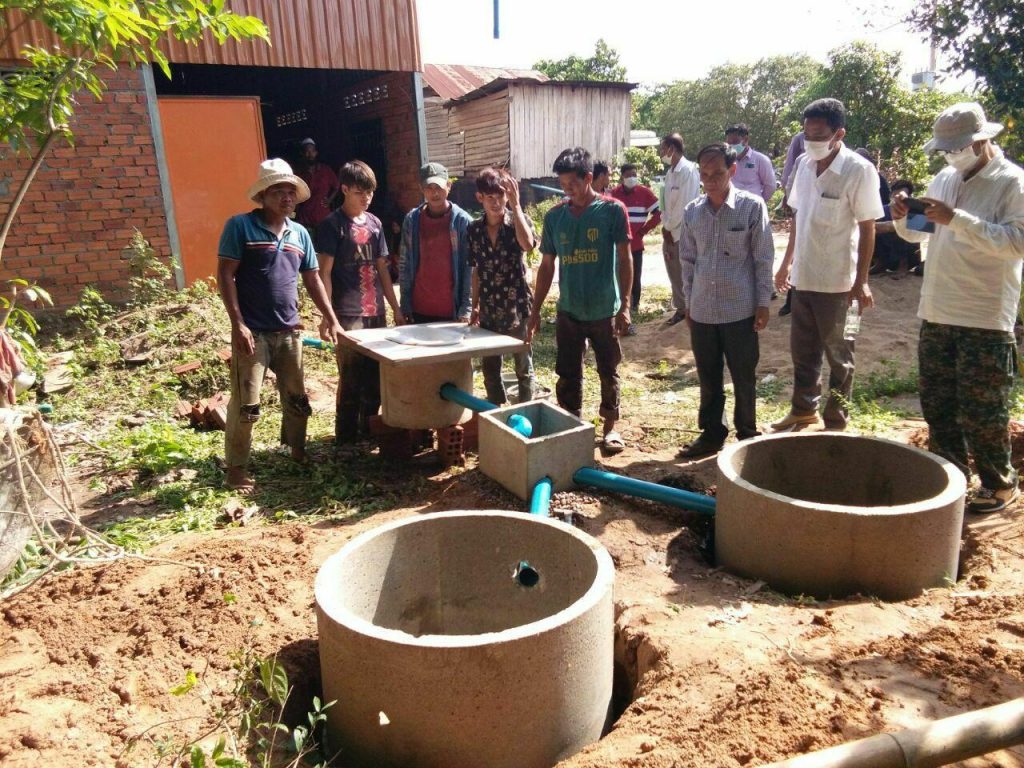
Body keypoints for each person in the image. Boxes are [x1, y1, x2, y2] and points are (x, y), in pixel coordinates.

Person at [891, 102, 1024, 513]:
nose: (951, 156)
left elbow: (1016, 243)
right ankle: (951, 480)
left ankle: (999, 484)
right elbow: (919, 234)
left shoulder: (1012, 182)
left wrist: (958, 219)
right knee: (939, 405)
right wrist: (903, 217)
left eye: (958, 148)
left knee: (983, 409)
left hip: (984, 315)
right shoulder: (944, 178)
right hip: (937, 309)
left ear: (982, 141)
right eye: (945, 150)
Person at [217, 158, 344, 491]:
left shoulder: (299, 234)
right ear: (263, 196)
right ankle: (236, 469)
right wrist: (238, 324)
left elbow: (313, 279)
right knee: (247, 405)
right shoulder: (240, 227)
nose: (287, 198)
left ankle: (296, 450)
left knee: (297, 399)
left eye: (291, 192)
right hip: (253, 333)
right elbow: (226, 275)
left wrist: (330, 318)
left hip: (289, 331)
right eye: (278, 192)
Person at [772, 98, 883, 432]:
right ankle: (803, 410)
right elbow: (798, 217)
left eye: (819, 136)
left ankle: (836, 420)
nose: (811, 142)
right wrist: (786, 263)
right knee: (803, 353)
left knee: (841, 355)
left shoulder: (859, 171)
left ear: (839, 134)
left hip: (841, 285)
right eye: (807, 135)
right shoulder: (804, 164)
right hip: (804, 279)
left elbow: (868, 227)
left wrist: (862, 281)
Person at [526, 147, 632, 454]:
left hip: (604, 310)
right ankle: (572, 425)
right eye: (563, 184)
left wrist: (625, 306)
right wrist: (535, 310)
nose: (567, 189)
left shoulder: (612, 211)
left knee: (608, 371)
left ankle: (610, 427)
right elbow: (547, 266)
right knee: (568, 372)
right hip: (569, 311)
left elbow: (625, 259)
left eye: (572, 183)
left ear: (588, 177)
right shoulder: (555, 217)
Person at [679, 143, 774, 457]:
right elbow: (688, 260)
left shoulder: (752, 207)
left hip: (740, 309)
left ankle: (747, 433)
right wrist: (689, 303)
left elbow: (763, 258)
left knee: (743, 375)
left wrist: (763, 302)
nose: (710, 181)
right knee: (708, 376)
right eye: (704, 174)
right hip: (703, 309)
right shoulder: (692, 212)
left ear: (732, 170)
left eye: (717, 173)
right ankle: (711, 434)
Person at [315, 160, 405, 444]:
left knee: (376, 377)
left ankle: (369, 430)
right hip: (348, 315)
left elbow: (383, 270)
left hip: (375, 313)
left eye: (370, 192)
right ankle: (345, 438)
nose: (366, 198)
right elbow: (324, 273)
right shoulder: (332, 225)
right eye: (359, 192)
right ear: (344, 189)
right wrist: (328, 316)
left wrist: (395, 309)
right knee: (351, 379)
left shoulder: (375, 224)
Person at [467, 168, 537, 405]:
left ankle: (527, 411)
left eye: (501, 196)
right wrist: (475, 305)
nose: (496, 203)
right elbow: (476, 270)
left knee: (523, 368)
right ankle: (495, 412)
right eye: (490, 197)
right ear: (480, 198)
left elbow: (527, 245)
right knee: (490, 370)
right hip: (489, 310)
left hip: (518, 307)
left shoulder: (519, 221)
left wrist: (516, 206)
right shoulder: (474, 230)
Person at [399, 162, 473, 323]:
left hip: (452, 310)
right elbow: (405, 264)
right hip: (419, 308)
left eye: (438, 187)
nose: (434, 193)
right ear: (421, 188)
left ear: (449, 186)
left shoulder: (462, 222)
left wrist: (467, 308)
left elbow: (470, 268)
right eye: (429, 188)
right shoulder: (412, 220)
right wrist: (405, 304)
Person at [609, 163, 661, 333]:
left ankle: (634, 305)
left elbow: (659, 213)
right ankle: (619, 304)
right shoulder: (614, 194)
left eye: (634, 174)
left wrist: (645, 229)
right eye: (628, 175)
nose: (632, 178)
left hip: (636, 243)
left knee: (635, 275)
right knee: (617, 275)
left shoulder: (645, 192)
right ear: (622, 177)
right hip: (617, 244)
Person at [659, 133, 701, 326]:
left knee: (686, 270)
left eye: (663, 148)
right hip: (670, 231)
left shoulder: (688, 171)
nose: (661, 153)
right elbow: (665, 204)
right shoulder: (670, 173)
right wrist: (665, 226)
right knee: (674, 270)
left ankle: (691, 308)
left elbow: (684, 205)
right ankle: (681, 308)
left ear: (672, 149)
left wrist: (668, 227)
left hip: (683, 230)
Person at [871, 179, 923, 276]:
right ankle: (880, 262)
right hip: (889, 255)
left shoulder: (915, 211)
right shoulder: (883, 210)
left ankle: (903, 265)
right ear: (891, 195)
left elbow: (917, 236)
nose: (899, 199)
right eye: (896, 195)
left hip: (909, 257)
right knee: (870, 228)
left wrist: (893, 225)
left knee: (900, 229)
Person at [725, 123, 776, 202]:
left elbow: (770, 186)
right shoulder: (725, 160)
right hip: (730, 204)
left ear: (745, 139)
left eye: (735, 142)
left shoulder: (761, 160)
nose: (731, 146)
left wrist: (759, 202)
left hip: (752, 206)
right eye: (729, 143)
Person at [294, 138, 338, 229]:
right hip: (304, 220)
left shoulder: (325, 170)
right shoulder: (298, 173)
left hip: (323, 217)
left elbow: (336, 186)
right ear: (302, 154)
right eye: (307, 152)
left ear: (316, 153)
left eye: (312, 151)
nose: (310, 154)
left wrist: (329, 200)